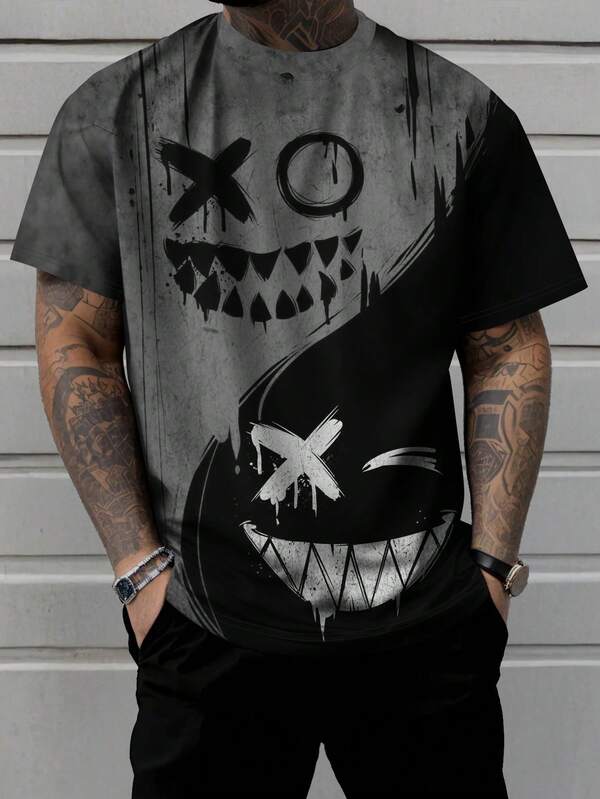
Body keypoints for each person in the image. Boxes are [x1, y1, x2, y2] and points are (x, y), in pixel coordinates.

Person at [10, 1, 587, 796]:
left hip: (424, 629)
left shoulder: (464, 115)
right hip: (202, 622)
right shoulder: (113, 114)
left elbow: (508, 346)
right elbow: (77, 340)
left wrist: (491, 570)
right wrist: (139, 572)